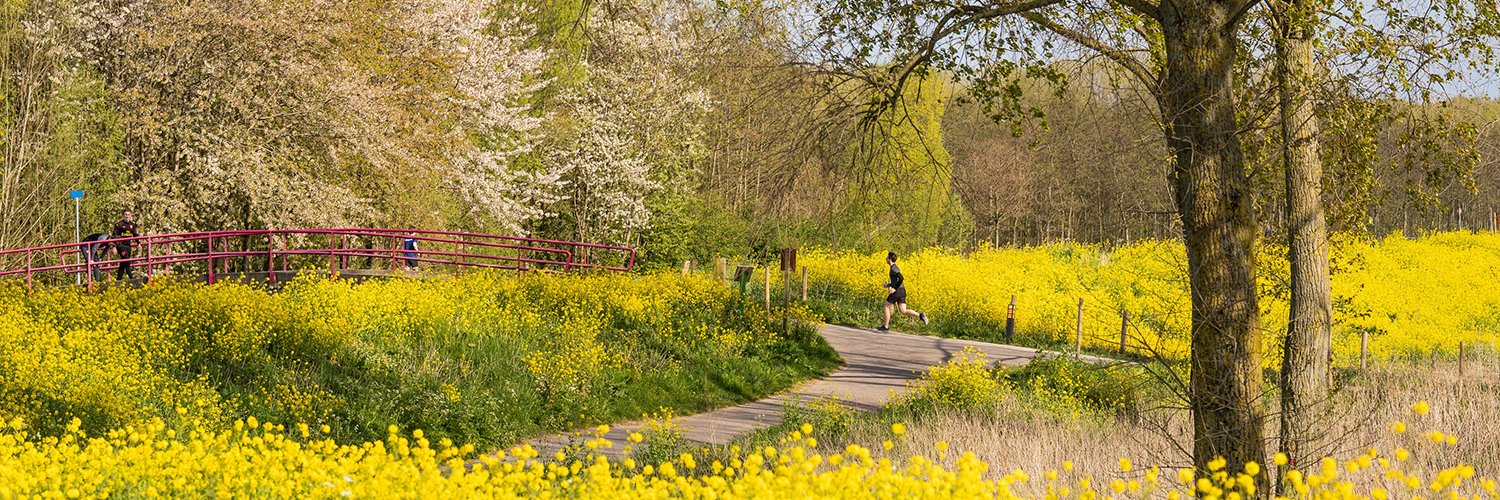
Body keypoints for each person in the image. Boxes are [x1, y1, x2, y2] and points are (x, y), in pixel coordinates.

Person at [878, 251, 929, 332]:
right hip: (902, 291)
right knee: (903, 311)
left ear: (890, 259)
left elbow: (901, 278)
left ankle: (886, 326)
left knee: (886, 306)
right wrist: (888, 285)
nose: (886, 259)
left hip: (897, 291)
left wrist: (894, 288)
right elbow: (897, 280)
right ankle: (920, 315)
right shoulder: (894, 267)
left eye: (887, 258)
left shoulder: (894, 268)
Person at [112, 209, 140, 280]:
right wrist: (114, 247)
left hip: (128, 246)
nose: (127, 216)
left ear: (130, 216)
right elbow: (114, 235)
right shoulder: (119, 224)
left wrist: (138, 243)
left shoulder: (132, 225)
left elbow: (135, 235)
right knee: (127, 260)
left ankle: (118, 279)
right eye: (125, 215)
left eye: (128, 215)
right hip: (121, 246)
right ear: (123, 216)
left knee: (123, 263)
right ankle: (132, 278)